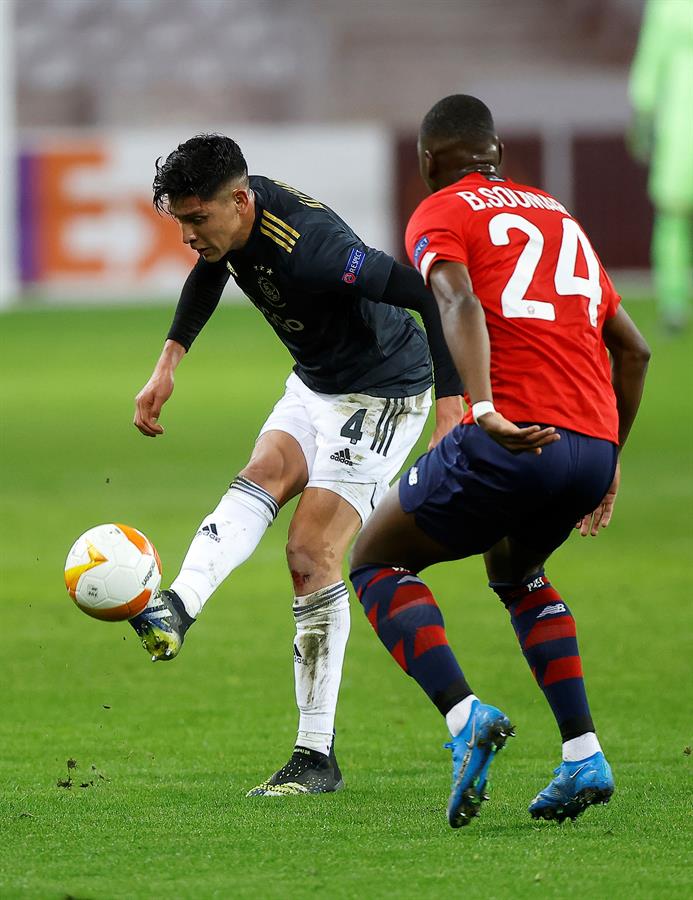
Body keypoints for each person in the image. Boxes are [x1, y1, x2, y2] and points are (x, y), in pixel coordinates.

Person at [130, 134, 464, 797]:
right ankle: (177, 607)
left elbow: (427, 297)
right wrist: (169, 361)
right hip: (315, 383)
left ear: (239, 201)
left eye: (197, 221)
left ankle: (316, 755)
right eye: (182, 222)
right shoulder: (229, 225)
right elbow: (211, 267)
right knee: (260, 476)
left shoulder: (318, 251)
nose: (190, 237)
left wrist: (453, 404)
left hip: (381, 394)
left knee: (310, 551)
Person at [350, 94, 651, 828]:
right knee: (514, 571)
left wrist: (481, 407)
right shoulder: (558, 215)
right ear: (497, 157)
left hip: (512, 435)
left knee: (374, 560)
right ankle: (582, 751)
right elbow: (633, 350)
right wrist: (609, 460)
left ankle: (464, 719)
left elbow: (454, 300)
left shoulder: (442, 211)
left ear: (428, 162)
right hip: (588, 445)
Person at [628, 0, 693, 332]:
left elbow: (652, 58)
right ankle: (673, 305)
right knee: (672, 217)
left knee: (672, 218)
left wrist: (643, 114)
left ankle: (673, 305)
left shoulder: (669, 5)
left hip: (680, 122)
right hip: (678, 120)